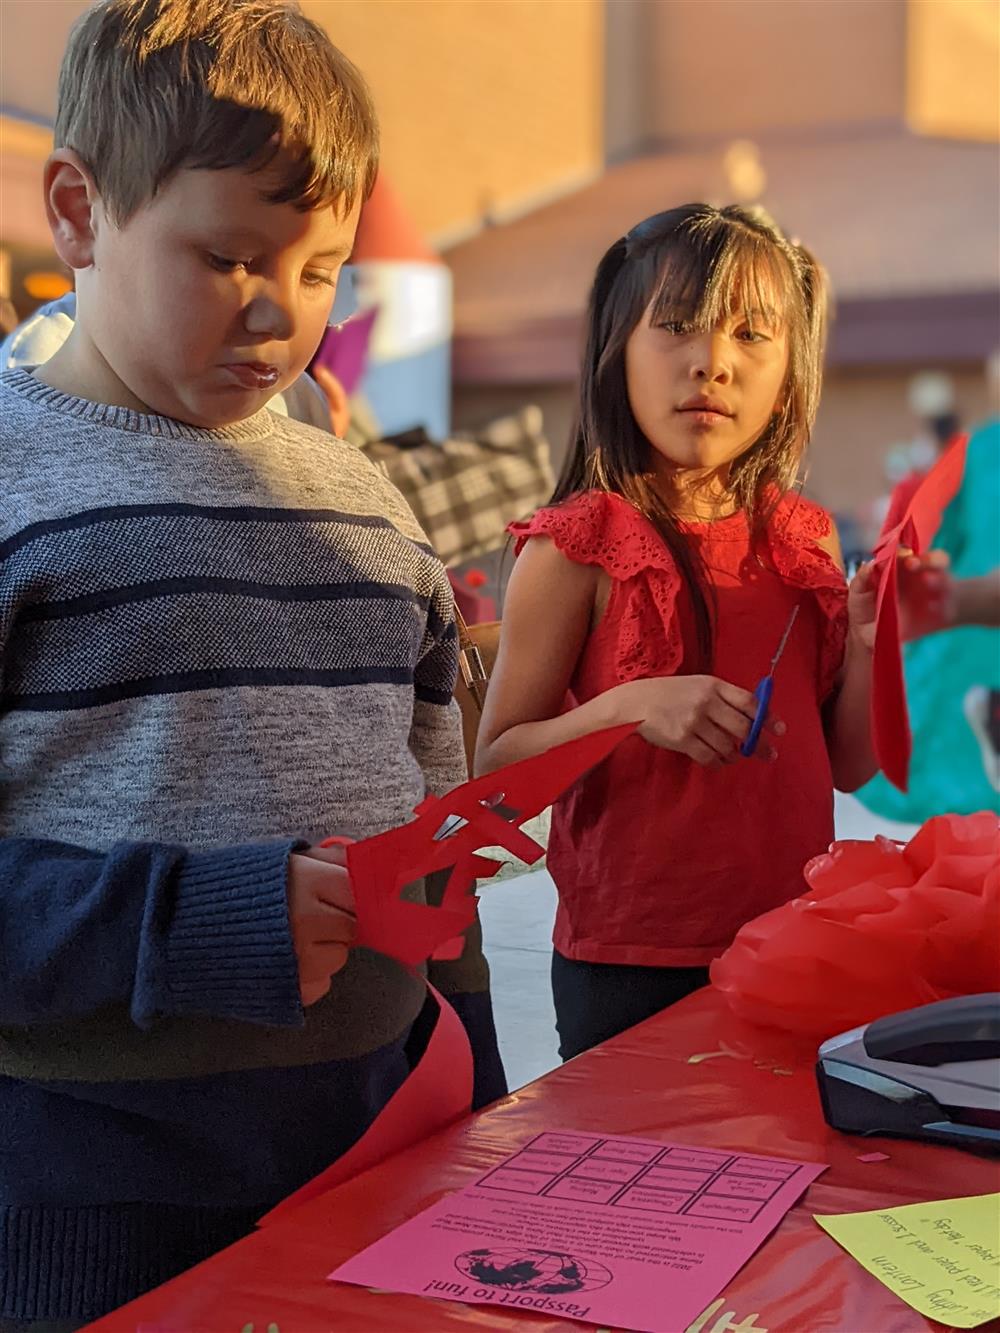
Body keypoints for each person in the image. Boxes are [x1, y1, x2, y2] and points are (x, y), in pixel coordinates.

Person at [0, 2, 504, 1328]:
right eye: (227, 257)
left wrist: (492, 1105)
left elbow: (434, 847)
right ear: (80, 210)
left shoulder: (370, 504)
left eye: (325, 267)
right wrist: (196, 924)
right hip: (93, 1198)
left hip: (387, 1147)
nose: (282, 312)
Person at [475, 203, 888, 1062]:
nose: (713, 364)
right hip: (627, 964)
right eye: (674, 328)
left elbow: (849, 764)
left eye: (751, 335)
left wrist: (867, 642)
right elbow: (498, 780)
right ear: (614, 350)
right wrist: (630, 707)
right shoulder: (576, 546)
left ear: (793, 369)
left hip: (790, 941)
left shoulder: (803, 538)